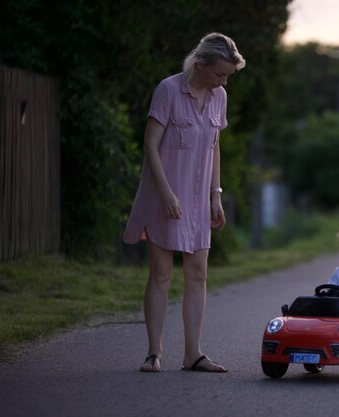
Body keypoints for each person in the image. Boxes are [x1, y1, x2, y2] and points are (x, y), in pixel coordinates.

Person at [123, 33, 245, 373]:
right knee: (161, 273)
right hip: (165, 196)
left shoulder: (219, 96)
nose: (224, 81)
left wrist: (215, 195)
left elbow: (214, 146)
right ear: (201, 65)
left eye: (227, 76)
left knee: (199, 274)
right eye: (220, 74)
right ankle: (153, 353)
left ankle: (193, 354)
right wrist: (164, 193)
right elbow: (150, 145)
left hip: (197, 200)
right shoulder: (168, 90)